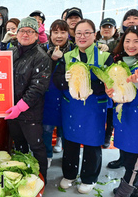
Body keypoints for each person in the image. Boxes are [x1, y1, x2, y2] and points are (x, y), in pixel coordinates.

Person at [53, 19, 114, 194]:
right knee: (70, 141)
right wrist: (66, 81)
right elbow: (57, 79)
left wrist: (89, 87)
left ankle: (89, 177)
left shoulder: (104, 56)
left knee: (92, 143)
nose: (82, 36)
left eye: (87, 32)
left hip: (94, 107)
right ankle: (70, 174)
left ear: (94, 35)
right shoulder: (67, 56)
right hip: (72, 106)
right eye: (79, 33)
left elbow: (110, 83)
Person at [105, 25, 138, 197]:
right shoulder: (120, 63)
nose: (131, 45)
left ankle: (123, 193)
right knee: (128, 159)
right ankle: (137, 191)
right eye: (127, 41)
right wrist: (111, 93)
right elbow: (119, 92)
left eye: (136, 41)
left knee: (135, 163)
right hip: (125, 119)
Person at [4, 16, 52, 183]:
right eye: (22, 31)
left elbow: (38, 87)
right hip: (12, 110)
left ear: (36, 35)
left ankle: (41, 180)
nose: (25, 34)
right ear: (16, 34)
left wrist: (20, 107)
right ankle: (24, 177)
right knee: (19, 145)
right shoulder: (12, 52)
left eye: (30, 31)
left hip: (30, 112)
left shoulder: (41, 57)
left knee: (37, 147)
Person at [42, 19, 73, 167]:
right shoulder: (43, 49)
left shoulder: (74, 50)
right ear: (50, 33)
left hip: (67, 96)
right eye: (55, 32)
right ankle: (47, 155)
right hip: (48, 96)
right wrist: (51, 60)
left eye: (63, 32)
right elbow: (40, 71)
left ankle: (68, 157)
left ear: (68, 33)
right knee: (47, 129)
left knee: (66, 128)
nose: (59, 36)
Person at [95, 17, 119, 149]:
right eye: (104, 26)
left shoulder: (118, 43)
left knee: (110, 110)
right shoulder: (95, 42)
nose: (107, 29)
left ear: (115, 29)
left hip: (113, 79)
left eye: (110, 27)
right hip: (98, 80)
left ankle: (107, 136)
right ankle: (98, 134)